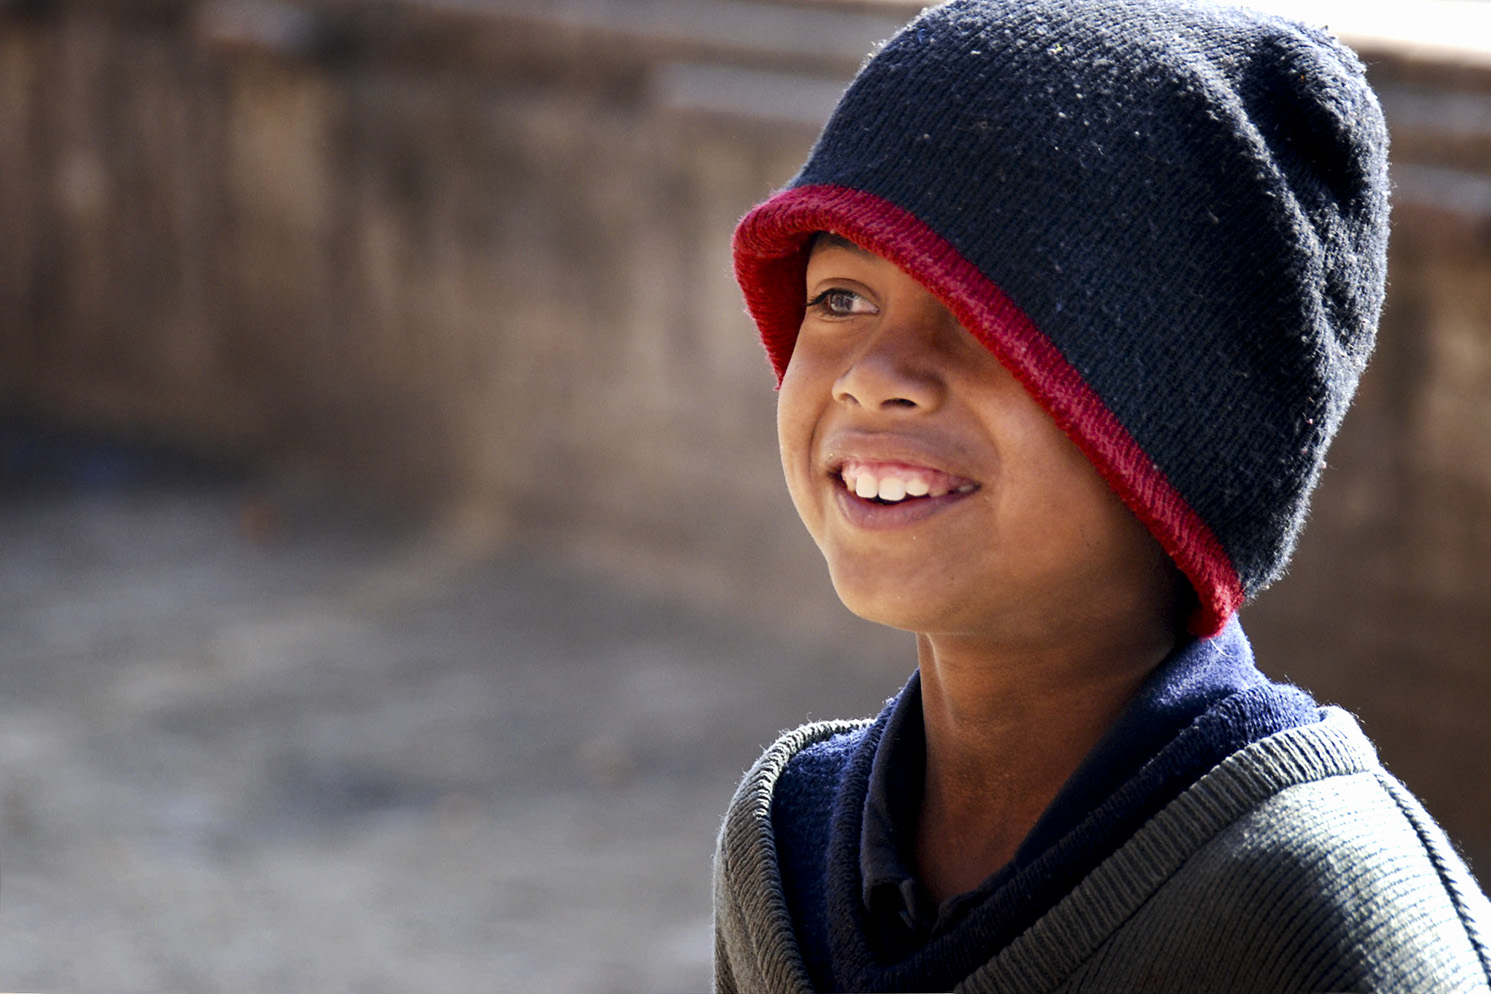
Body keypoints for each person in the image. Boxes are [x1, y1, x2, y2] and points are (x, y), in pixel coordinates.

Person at [712, 1, 1491, 992]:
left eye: (987, 311)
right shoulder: (784, 846)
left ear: (1165, 430)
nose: (873, 373)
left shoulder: (1323, 909)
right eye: (840, 298)